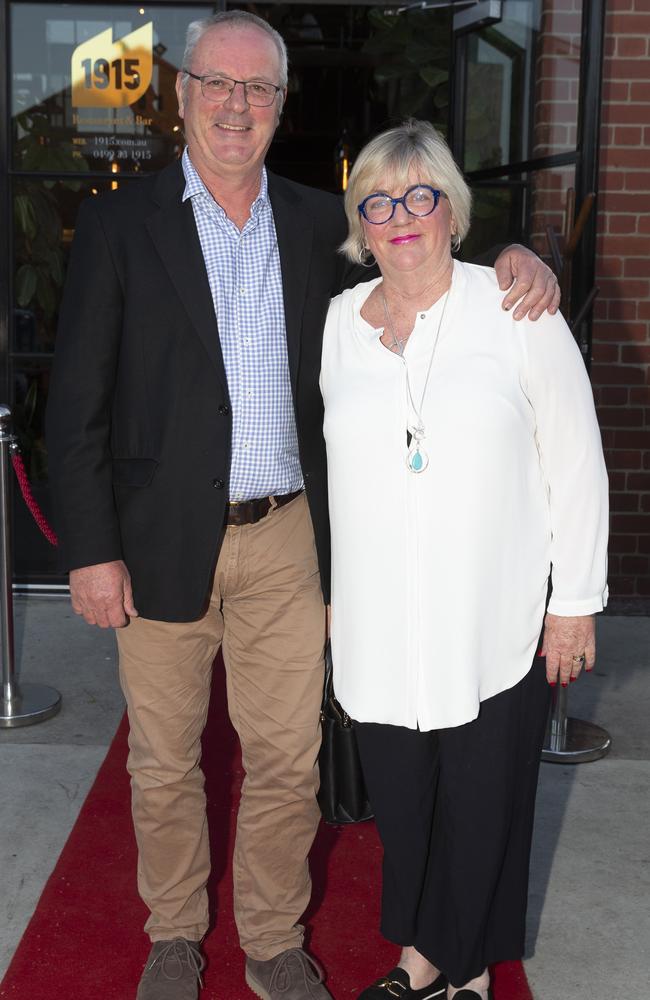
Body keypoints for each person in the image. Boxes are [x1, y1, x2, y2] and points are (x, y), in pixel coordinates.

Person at [45, 12, 560, 1000]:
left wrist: (515, 259)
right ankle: (172, 934)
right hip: (153, 539)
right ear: (182, 93)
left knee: (285, 755)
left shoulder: (313, 221)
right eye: (217, 84)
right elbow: (76, 404)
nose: (236, 105)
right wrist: (89, 549)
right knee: (163, 758)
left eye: (258, 89)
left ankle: (273, 940)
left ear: (280, 105)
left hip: (288, 538)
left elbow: (417, 264)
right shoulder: (119, 222)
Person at [320, 119, 608, 1000]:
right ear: (361, 222)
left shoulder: (518, 309)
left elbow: (575, 458)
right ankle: (425, 956)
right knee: (406, 809)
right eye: (378, 200)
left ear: (451, 209)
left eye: (419, 194)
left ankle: (458, 969)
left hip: (495, 616)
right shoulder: (337, 322)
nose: (399, 214)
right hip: (379, 624)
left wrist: (576, 602)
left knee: (484, 806)